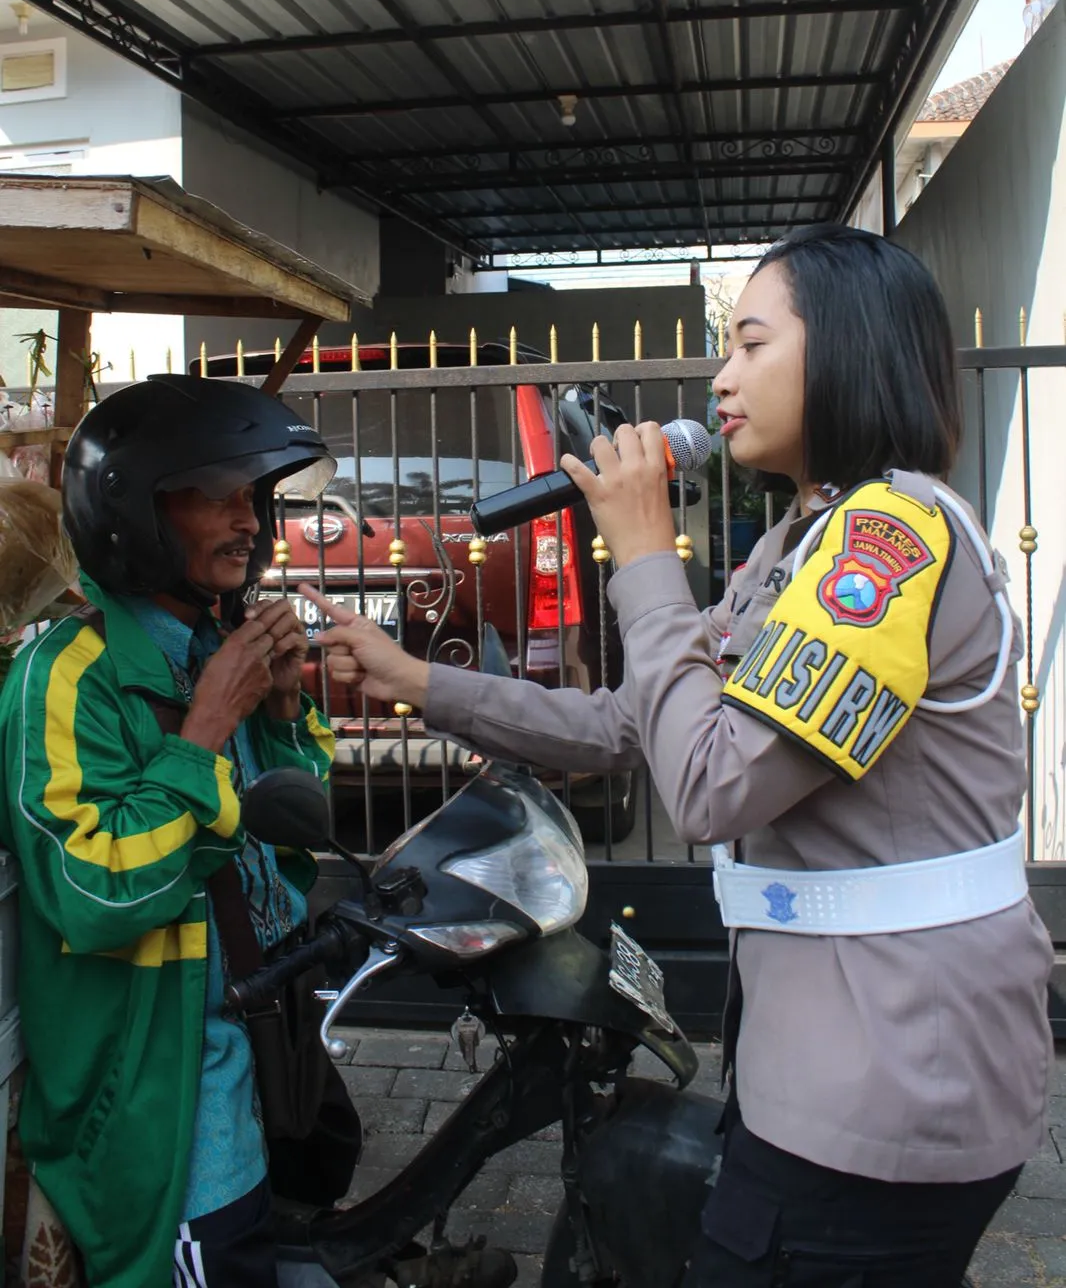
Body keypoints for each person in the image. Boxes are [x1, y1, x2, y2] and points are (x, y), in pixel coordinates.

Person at [304, 224, 1054, 1288]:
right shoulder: (799, 543)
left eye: (751, 343)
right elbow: (632, 723)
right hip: (826, 1063)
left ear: (845, 351)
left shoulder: (893, 540)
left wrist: (647, 555)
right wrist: (418, 680)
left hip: (893, 1083)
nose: (719, 376)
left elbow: (708, 783)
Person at [0, 375, 338, 1288]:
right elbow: (98, 895)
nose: (248, 521)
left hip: (246, 1048)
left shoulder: (213, 645)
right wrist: (205, 730)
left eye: (255, 498)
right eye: (217, 495)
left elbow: (291, 834)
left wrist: (281, 703)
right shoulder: (70, 677)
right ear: (138, 510)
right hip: (159, 1093)